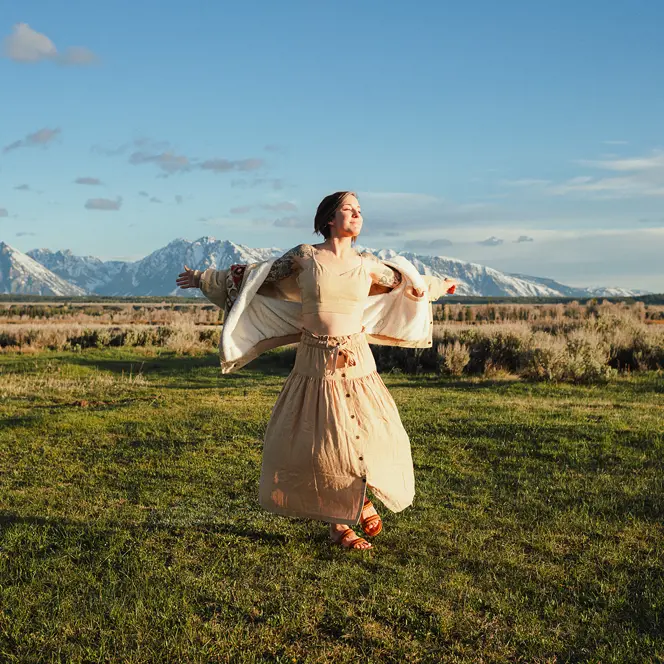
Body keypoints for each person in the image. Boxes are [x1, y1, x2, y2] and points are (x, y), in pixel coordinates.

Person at [176, 191, 456, 550]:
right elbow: (255, 277)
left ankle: (363, 495)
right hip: (315, 360)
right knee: (322, 439)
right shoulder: (305, 257)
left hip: (357, 358)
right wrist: (204, 279)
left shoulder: (368, 263)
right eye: (348, 209)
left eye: (359, 210)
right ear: (328, 218)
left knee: (374, 432)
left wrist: (437, 286)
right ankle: (339, 525)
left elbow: (407, 283)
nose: (356, 215)